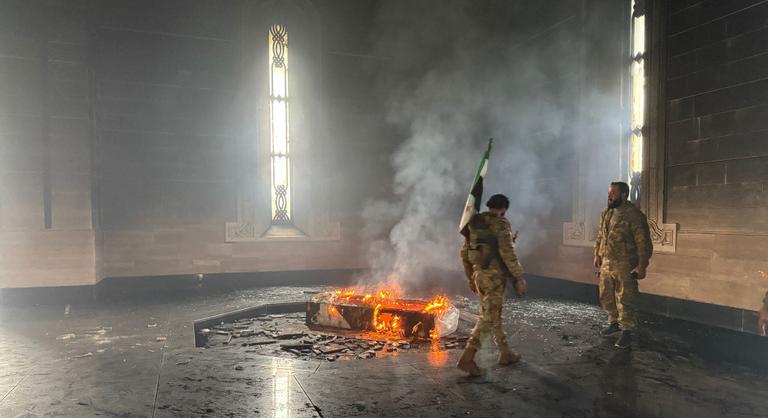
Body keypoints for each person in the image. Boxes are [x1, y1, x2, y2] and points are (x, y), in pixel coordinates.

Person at [457, 194, 527, 376]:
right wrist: (519, 276)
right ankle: (467, 358)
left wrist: (470, 277)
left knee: (493, 313)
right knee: (488, 317)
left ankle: (505, 352)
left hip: (479, 274)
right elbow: (507, 252)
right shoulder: (501, 224)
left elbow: (464, 252)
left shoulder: (474, 223)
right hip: (494, 277)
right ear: (504, 208)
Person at [593, 182, 653, 349]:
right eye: (608, 193)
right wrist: (597, 254)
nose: (609, 196)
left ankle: (626, 331)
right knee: (606, 294)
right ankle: (614, 322)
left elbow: (643, 243)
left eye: (613, 193)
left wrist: (642, 265)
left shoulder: (634, 215)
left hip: (625, 264)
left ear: (624, 194)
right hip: (607, 262)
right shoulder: (607, 213)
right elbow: (600, 236)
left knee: (625, 297)